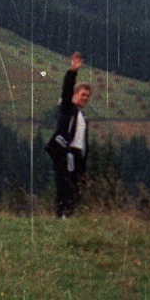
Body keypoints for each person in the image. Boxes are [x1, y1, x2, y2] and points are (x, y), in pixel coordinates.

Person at [46, 52, 92, 218]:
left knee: (76, 188)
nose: (85, 98)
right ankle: (61, 217)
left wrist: (84, 165)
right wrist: (73, 71)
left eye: (87, 96)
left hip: (77, 156)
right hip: (65, 153)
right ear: (75, 95)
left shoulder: (83, 117)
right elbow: (66, 89)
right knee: (64, 186)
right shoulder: (67, 108)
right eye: (82, 94)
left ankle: (69, 217)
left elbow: (83, 143)